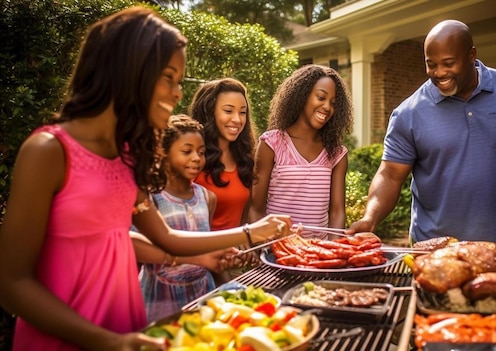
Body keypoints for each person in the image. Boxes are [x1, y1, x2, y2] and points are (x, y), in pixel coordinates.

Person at [0, 7, 291, 351]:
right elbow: (11, 283)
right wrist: (108, 341)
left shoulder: (128, 156)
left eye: (180, 81)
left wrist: (247, 234)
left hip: (130, 329)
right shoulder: (48, 151)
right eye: (168, 78)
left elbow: (166, 237)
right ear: (128, 70)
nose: (178, 93)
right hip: (66, 337)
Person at [349, 19, 496, 250]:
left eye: (448, 63)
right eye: (431, 64)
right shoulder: (408, 113)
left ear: (471, 55)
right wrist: (371, 218)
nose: (439, 73)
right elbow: (390, 174)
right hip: (433, 253)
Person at [131, 114, 227, 323]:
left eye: (201, 152)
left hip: (202, 296)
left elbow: (205, 247)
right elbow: (134, 248)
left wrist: (227, 269)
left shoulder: (207, 197)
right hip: (159, 301)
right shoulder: (149, 197)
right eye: (187, 151)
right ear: (162, 153)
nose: (196, 158)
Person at [249, 64, 354, 239]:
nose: (327, 107)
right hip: (277, 251)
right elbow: (256, 207)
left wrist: (334, 250)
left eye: (333, 103)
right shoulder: (272, 143)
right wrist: (262, 248)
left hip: (318, 254)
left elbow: (337, 212)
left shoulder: (336, 153)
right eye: (321, 97)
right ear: (301, 96)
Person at [192, 78, 255, 231]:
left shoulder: (246, 159)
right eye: (228, 111)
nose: (237, 119)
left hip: (235, 252)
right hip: (200, 251)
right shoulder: (193, 157)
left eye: (242, 112)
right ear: (209, 112)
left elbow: (244, 221)